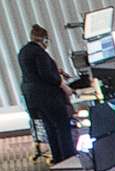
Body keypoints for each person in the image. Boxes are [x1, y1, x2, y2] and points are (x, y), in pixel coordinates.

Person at [17, 24, 74, 162]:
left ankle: (59, 158)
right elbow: (46, 75)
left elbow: (34, 72)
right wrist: (64, 86)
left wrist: (56, 70)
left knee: (50, 126)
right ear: (44, 40)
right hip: (47, 95)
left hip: (33, 96)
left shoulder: (24, 51)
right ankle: (69, 158)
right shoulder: (40, 53)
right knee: (62, 126)